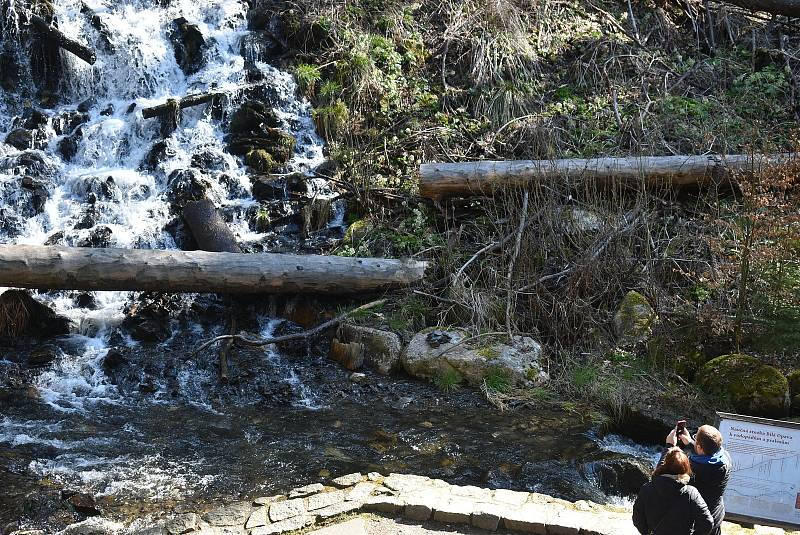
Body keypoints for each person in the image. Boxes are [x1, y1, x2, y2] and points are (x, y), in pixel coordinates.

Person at [665, 424, 732, 535]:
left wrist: (669, 446)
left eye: (696, 439)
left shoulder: (693, 468)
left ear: (700, 448)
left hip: (697, 524)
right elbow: (707, 456)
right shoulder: (726, 459)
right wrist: (691, 443)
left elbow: (663, 479)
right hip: (715, 516)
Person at [633, 446, 714, 535]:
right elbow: (707, 523)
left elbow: (637, 519)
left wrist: (647, 532)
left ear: (665, 465)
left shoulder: (647, 489)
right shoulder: (691, 493)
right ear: (686, 468)